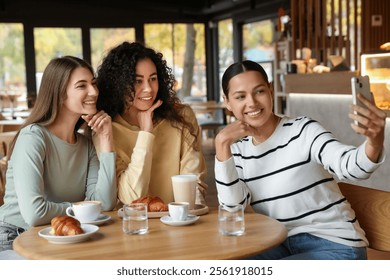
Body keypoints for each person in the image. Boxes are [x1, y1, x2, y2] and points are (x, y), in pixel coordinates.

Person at [214, 60, 386, 260]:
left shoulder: (303, 130)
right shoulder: (238, 153)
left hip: (335, 245)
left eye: (259, 91)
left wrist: (374, 142)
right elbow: (232, 209)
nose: (252, 102)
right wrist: (221, 145)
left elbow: (349, 166)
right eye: (240, 96)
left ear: (270, 90)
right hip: (280, 243)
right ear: (227, 102)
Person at [0, 56, 116, 254]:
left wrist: (106, 138)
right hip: (14, 237)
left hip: (61, 238)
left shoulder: (86, 144)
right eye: (82, 86)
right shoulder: (33, 137)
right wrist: (82, 209)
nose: (94, 91)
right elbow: (35, 214)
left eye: (93, 84)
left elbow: (104, 204)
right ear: (60, 94)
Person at [96, 41, 207, 206]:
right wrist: (146, 134)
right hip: (136, 226)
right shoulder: (106, 131)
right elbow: (131, 197)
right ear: (118, 84)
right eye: (137, 81)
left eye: (153, 79)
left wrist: (186, 219)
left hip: (181, 221)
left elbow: (194, 183)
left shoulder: (182, 116)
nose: (148, 88)